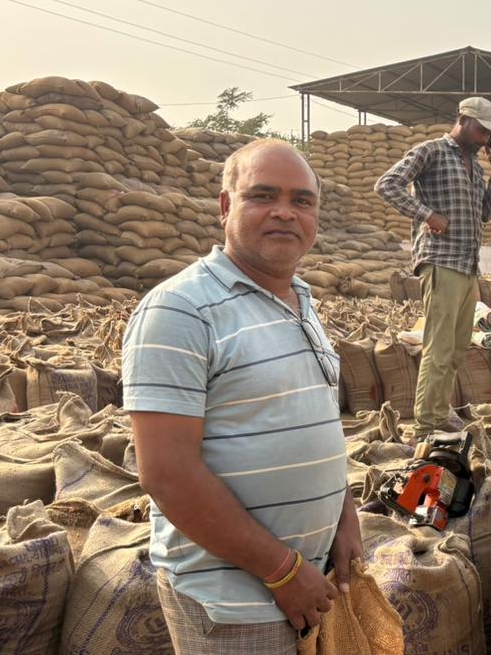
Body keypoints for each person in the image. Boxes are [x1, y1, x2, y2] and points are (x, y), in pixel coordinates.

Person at [125, 139, 363, 654]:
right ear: (226, 206)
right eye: (263, 196)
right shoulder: (180, 309)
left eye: (302, 200)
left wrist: (344, 517)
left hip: (306, 581)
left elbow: (315, 420)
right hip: (232, 599)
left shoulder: (301, 301)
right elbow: (165, 472)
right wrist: (282, 572)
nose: (285, 212)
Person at [375, 97, 491, 441]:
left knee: (457, 347)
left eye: (488, 133)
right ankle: (425, 425)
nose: (484, 138)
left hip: (467, 264)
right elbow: (387, 185)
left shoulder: (476, 165)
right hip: (441, 260)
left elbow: (486, 213)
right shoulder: (432, 151)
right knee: (438, 346)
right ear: (463, 120)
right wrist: (427, 215)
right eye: (481, 130)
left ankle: (438, 412)